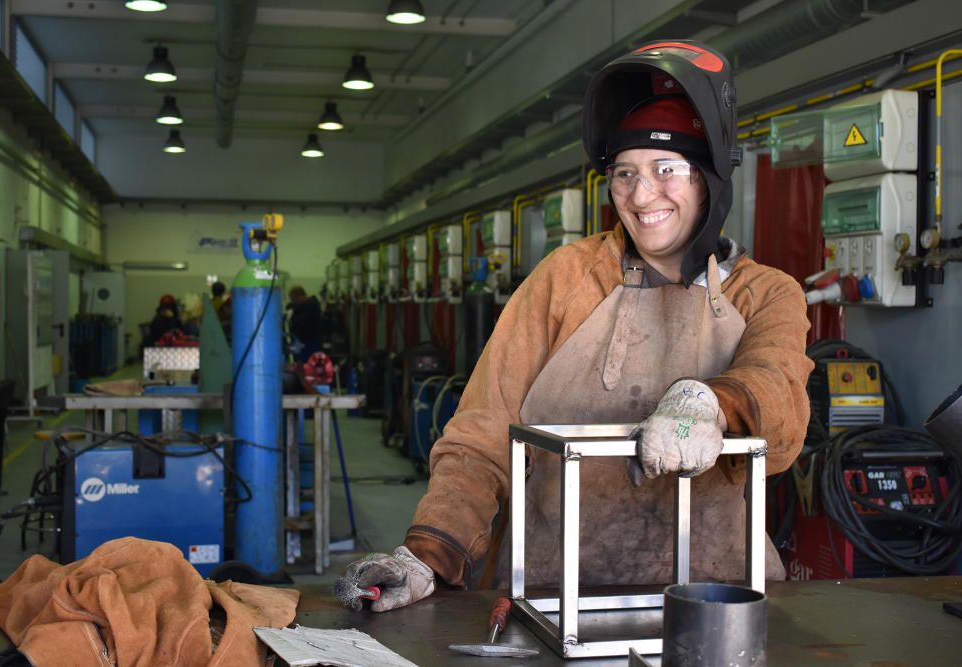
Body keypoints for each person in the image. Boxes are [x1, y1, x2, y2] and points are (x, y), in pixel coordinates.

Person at [341, 40, 813, 612]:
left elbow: (780, 408)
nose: (641, 196)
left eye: (667, 169)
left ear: (709, 177)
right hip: (552, 595)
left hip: (717, 601)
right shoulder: (566, 278)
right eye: (624, 174)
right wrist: (429, 553)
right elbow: (484, 428)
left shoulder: (764, 292)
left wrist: (709, 403)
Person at [286, 286, 322, 362]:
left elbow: (302, 323)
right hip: (306, 343)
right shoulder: (308, 306)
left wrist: (292, 318)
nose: (293, 302)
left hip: (309, 343)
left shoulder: (311, 306)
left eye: (294, 299)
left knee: (307, 365)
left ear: (300, 296)